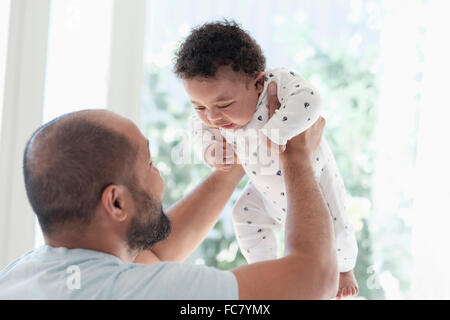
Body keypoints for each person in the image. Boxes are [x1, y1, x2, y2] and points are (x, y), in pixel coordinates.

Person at [0, 89, 337, 299]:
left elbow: (153, 256)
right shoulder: (142, 292)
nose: (160, 179)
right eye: (150, 165)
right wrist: (296, 158)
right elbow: (314, 280)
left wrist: (242, 155)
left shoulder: (22, 276)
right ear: (116, 202)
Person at [173, 20, 358, 299]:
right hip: (264, 190)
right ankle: (269, 271)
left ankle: (345, 268)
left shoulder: (278, 83)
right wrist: (211, 149)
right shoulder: (215, 118)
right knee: (244, 216)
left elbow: (310, 99)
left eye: (224, 105)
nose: (213, 117)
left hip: (314, 182)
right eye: (199, 106)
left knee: (336, 223)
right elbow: (197, 128)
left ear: (258, 83)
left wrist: (278, 129)